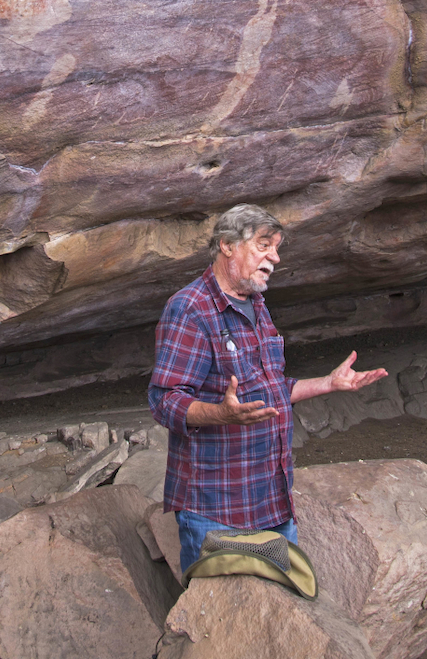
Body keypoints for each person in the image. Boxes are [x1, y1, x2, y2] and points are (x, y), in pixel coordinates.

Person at [148, 204, 388, 575]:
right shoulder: (190, 309)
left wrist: (329, 383)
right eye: (264, 245)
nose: (274, 257)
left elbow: (271, 389)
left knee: (280, 609)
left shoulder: (256, 304)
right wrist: (221, 414)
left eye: (276, 247)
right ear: (227, 245)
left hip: (273, 501)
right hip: (218, 509)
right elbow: (165, 401)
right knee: (218, 624)